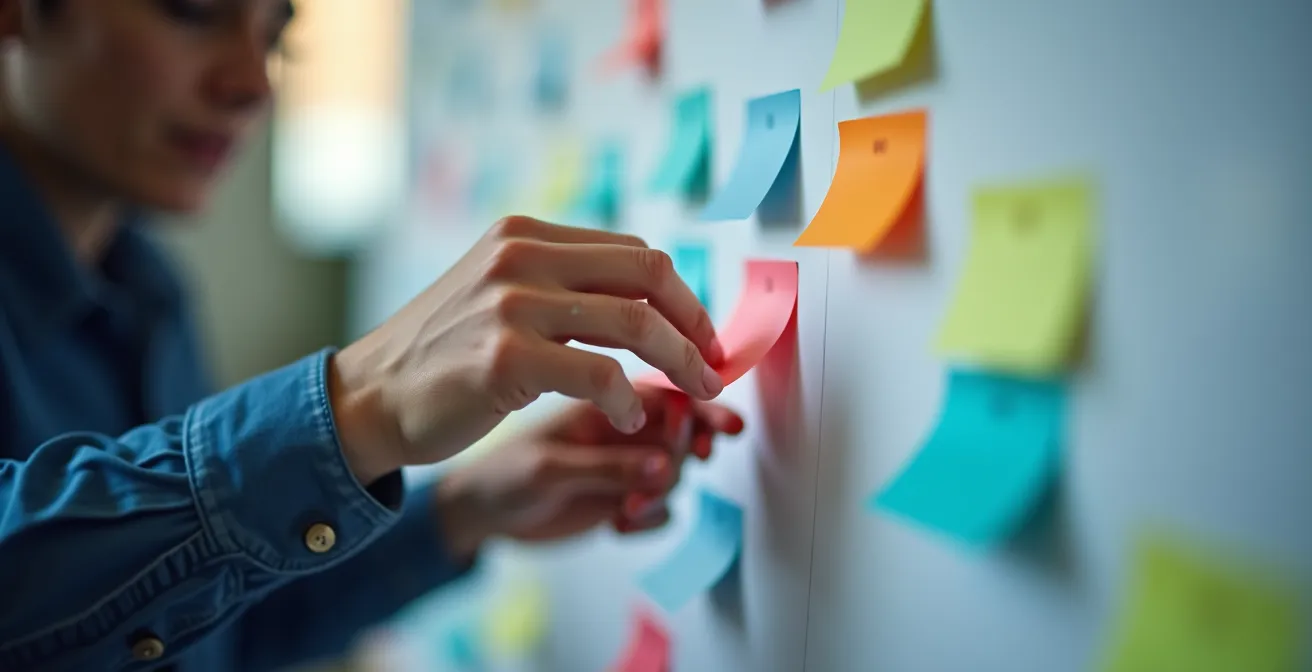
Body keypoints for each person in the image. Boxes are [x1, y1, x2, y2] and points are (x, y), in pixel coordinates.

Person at [0, 1, 744, 670]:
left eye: (276, 35)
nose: (255, 84)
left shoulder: (147, 289)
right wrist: (354, 409)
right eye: (195, 13)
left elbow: (198, 640)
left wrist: (460, 511)